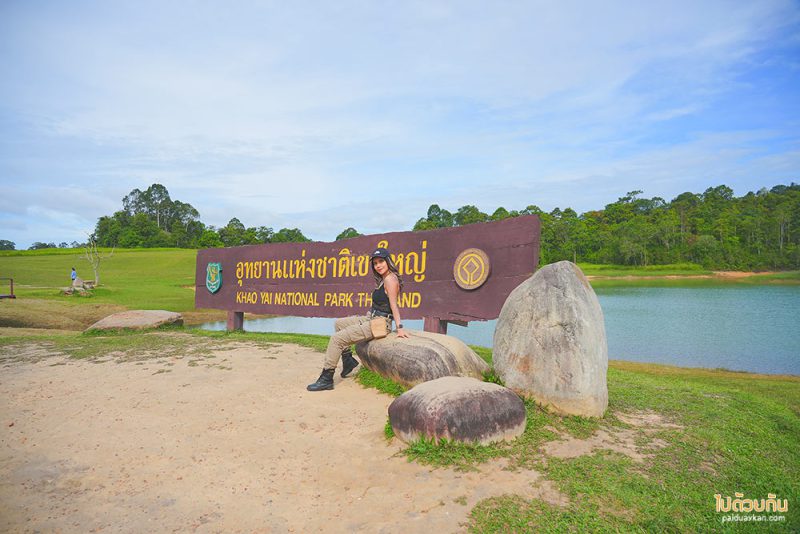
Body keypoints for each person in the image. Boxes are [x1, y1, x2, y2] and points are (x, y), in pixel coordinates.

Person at [307, 247, 409, 391]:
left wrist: (400, 328)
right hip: (371, 318)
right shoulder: (383, 279)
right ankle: (348, 360)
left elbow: (394, 305)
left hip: (380, 323)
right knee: (339, 324)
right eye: (375, 263)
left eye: (381, 261)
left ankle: (326, 378)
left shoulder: (391, 279)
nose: (378, 265)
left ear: (388, 261)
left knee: (337, 339)